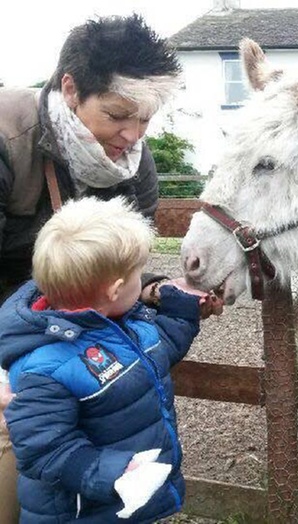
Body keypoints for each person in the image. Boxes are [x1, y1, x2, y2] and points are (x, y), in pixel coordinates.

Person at [0, 15, 224, 522]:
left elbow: (123, 267)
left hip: (75, 331)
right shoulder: (7, 137)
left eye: (145, 119)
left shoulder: (133, 164)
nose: (133, 134)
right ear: (71, 89)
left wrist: (161, 291)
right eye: (119, 114)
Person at [0, 196, 201, 523]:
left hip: (124, 505)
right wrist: (115, 475)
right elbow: (44, 449)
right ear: (115, 289)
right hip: (82, 513)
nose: (145, 281)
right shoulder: (43, 366)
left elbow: (156, 350)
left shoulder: (121, 323)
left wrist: (182, 311)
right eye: (140, 275)